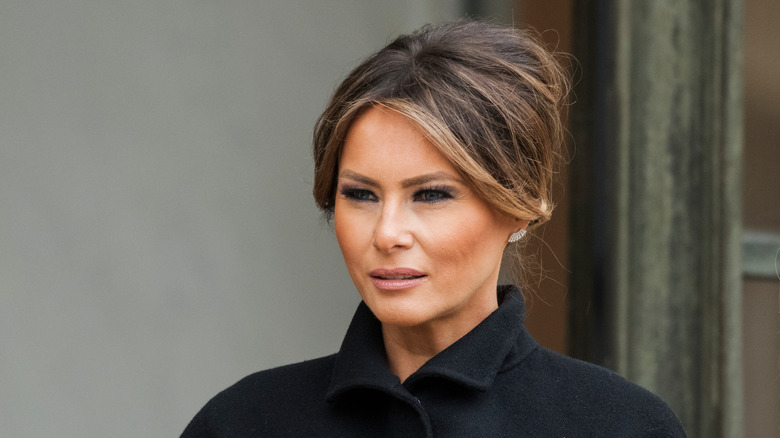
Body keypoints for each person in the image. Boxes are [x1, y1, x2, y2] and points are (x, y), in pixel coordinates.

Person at [181, 20, 686, 437]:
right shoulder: (241, 423)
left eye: (431, 194)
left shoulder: (623, 426)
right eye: (360, 195)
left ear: (521, 205)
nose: (387, 233)